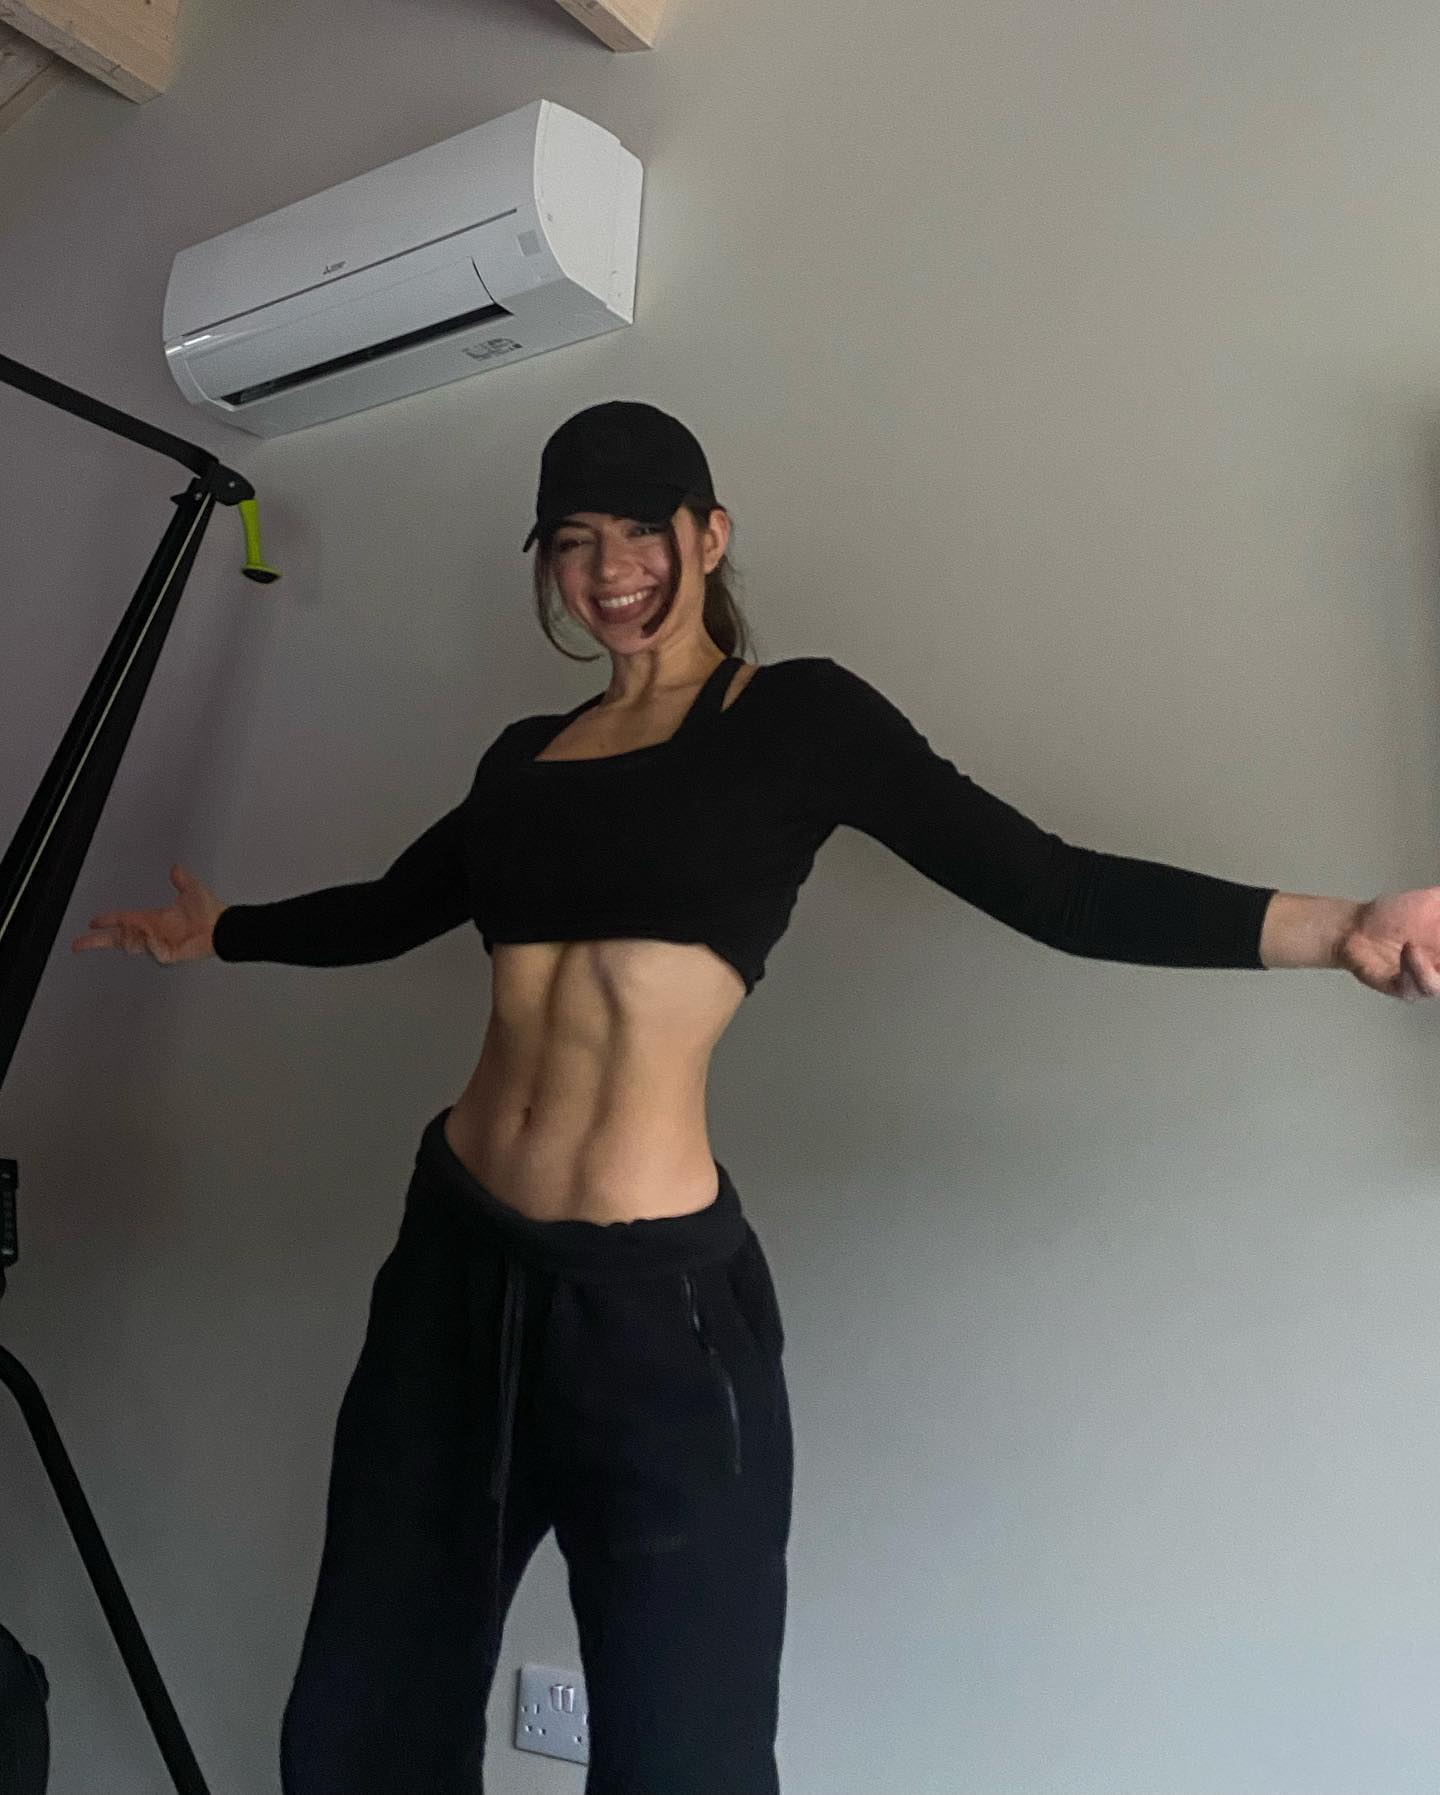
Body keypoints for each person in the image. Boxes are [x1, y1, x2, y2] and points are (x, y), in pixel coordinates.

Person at [72, 400, 1440, 1794]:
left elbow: (1057, 887)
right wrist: (222, 932)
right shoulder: (523, 758)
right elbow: (389, 910)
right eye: (573, 540)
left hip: (654, 1313)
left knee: (687, 1754)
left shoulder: (798, 719)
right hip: (453, 1274)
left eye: (642, 529)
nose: (610, 569)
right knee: (365, 1718)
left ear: (710, 534)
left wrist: (1340, 929)